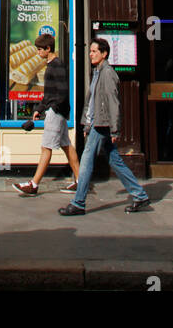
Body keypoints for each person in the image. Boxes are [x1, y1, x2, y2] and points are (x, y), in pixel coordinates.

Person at [59, 37, 150, 215]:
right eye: (90, 51)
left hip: (102, 124)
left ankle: (78, 202)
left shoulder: (108, 73)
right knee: (114, 160)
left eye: (94, 51)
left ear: (104, 54)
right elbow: (91, 101)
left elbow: (113, 102)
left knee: (85, 161)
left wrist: (115, 128)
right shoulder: (97, 72)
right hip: (96, 123)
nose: (91, 54)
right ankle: (139, 195)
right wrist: (86, 124)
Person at [12, 33, 81, 195]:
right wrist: (39, 109)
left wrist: (52, 109)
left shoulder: (56, 65)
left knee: (46, 148)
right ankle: (80, 180)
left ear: (48, 49)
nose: (37, 52)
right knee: (66, 146)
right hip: (57, 111)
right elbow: (50, 93)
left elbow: (62, 93)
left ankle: (33, 185)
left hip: (55, 112)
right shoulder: (52, 65)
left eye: (39, 49)